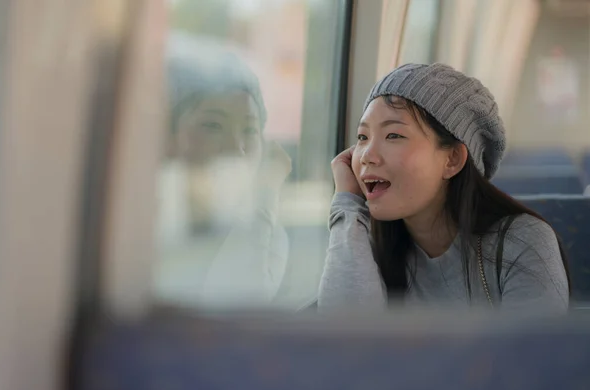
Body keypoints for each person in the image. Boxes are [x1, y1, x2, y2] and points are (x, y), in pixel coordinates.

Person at [318, 63, 570, 313]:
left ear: (452, 160)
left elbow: (535, 353)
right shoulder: (363, 243)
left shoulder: (523, 241)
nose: (366, 156)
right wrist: (348, 205)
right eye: (362, 137)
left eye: (393, 135)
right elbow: (345, 341)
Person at [157, 35, 291, 307]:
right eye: (213, 125)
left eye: (249, 130)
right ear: (167, 136)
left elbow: (244, 304)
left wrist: (265, 195)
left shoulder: (267, 233)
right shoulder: (136, 224)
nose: (236, 147)